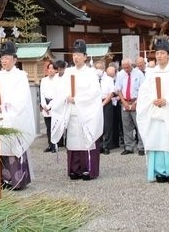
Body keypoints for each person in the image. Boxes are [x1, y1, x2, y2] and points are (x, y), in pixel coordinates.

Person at [136, 37, 169, 184]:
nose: (159, 56)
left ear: (168, 54)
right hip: (154, 112)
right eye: (157, 53)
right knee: (156, 141)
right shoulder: (151, 73)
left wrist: (167, 101)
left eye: (162, 53)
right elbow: (144, 93)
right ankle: (159, 172)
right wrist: (151, 100)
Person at [50, 39, 103, 180]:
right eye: (74, 54)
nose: (76, 57)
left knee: (86, 140)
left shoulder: (91, 73)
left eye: (79, 55)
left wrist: (78, 99)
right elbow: (60, 90)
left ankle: (88, 169)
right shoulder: (68, 72)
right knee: (73, 140)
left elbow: (94, 93)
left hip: (86, 112)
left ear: (85, 56)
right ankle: (74, 169)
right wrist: (65, 98)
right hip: (72, 111)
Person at [0, 41, 36, 189]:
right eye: (2, 58)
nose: (4, 61)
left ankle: (16, 180)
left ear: (15, 59)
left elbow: (22, 98)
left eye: (7, 58)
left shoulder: (20, 76)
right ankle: (2, 179)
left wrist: (7, 107)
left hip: (13, 116)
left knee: (12, 145)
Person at [115, 58, 145, 156]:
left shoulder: (139, 74)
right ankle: (129, 146)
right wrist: (124, 102)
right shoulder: (120, 74)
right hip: (125, 102)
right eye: (124, 67)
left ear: (131, 65)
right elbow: (118, 89)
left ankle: (141, 146)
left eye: (127, 67)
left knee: (139, 125)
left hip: (136, 101)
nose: (126, 69)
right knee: (126, 126)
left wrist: (136, 102)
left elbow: (142, 89)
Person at [97, 62, 117, 155]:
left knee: (107, 125)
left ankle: (106, 145)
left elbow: (111, 93)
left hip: (107, 102)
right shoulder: (93, 79)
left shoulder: (109, 79)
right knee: (98, 124)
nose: (98, 69)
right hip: (96, 103)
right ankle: (99, 145)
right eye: (97, 68)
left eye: (100, 67)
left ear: (104, 68)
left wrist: (104, 103)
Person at [39, 61, 58, 153]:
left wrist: (50, 106)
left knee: (54, 126)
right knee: (48, 126)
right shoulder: (44, 80)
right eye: (49, 68)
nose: (50, 70)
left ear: (56, 70)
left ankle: (55, 144)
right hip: (45, 103)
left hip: (54, 104)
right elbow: (42, 93)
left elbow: (57, 94)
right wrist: (44, 105)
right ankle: (50, 144)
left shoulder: (58, 80)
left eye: (52, 68)